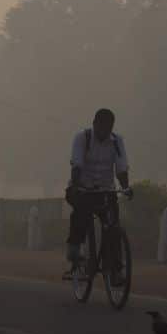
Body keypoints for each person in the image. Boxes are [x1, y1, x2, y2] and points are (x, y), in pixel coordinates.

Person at [63, 108, 133, 281]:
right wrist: (77, 186)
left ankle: (115, 269)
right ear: (94, 124)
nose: (105, 132)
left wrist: (126, 187)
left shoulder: (117, 141)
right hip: (82, 188)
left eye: (109, 128)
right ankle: (74, 250)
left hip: (105, 190)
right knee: (82, 213)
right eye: (102, 127)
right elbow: (77, 166)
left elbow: (121, 168)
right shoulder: (82, 138)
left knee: (113, 227)